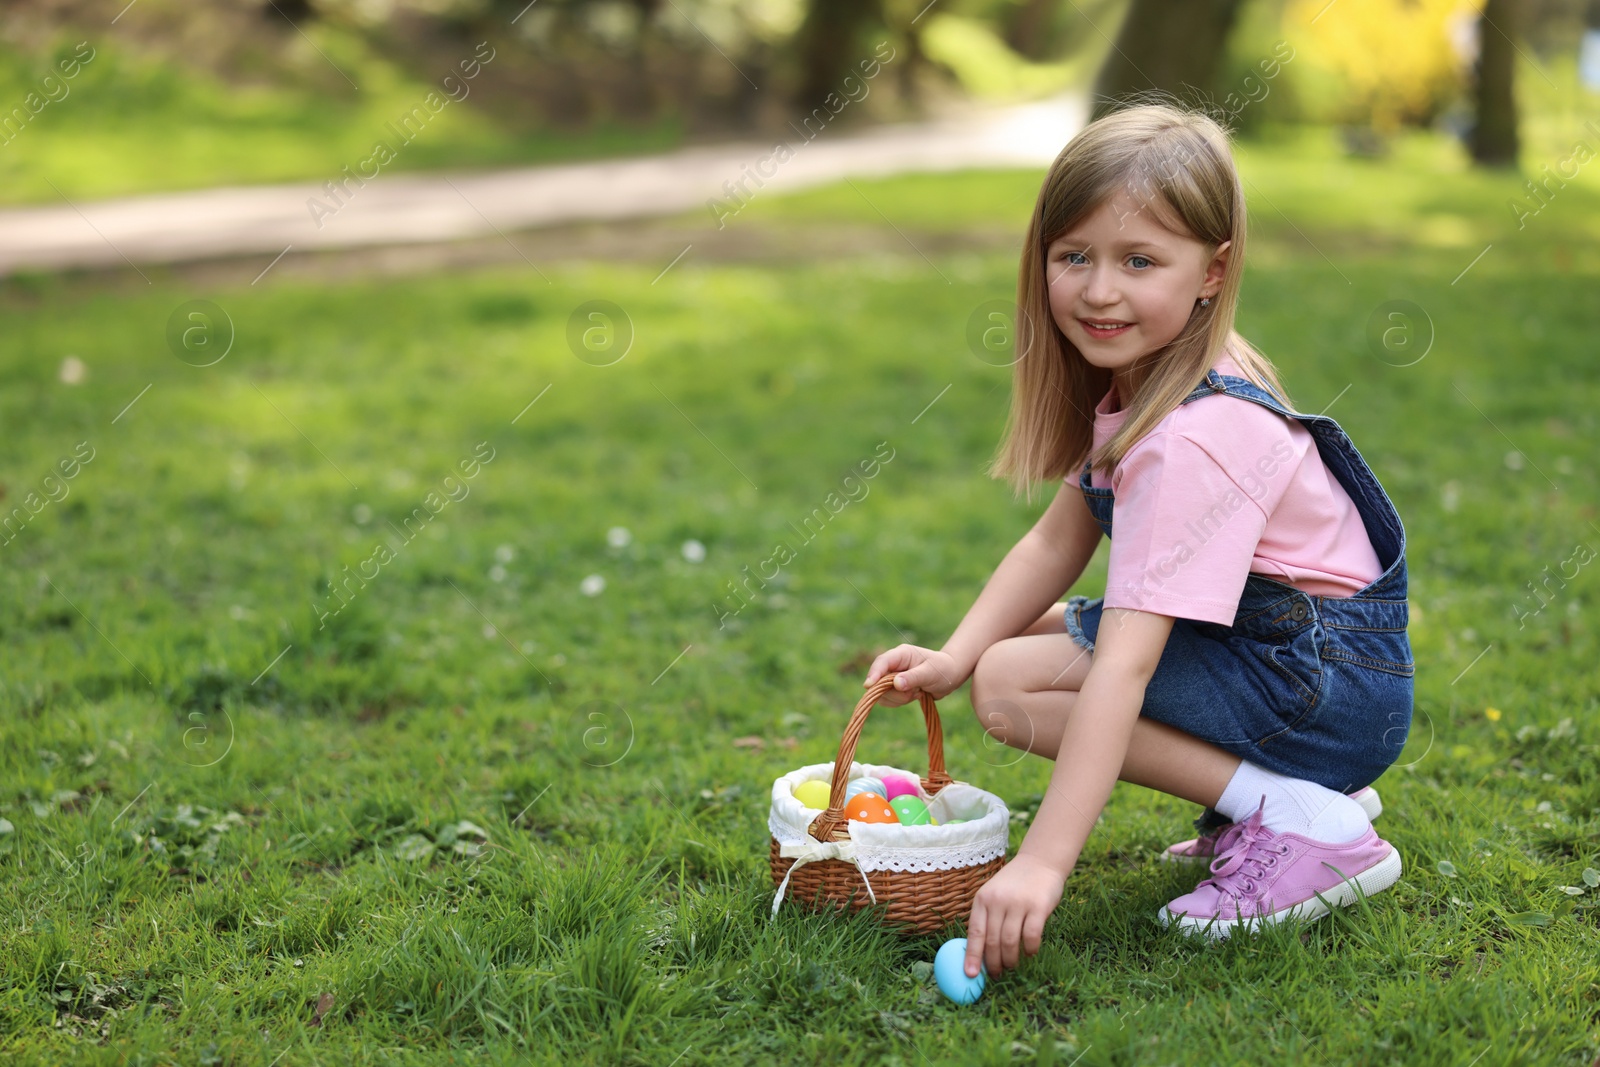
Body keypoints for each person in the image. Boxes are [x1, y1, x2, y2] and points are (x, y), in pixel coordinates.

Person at [863, 100, 1414, 978]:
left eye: (1139, 260)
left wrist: (1041, 864)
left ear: (1212, 270)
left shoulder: (1190, 436)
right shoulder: (1159, 370)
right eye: (1073, 255)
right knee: (1009, 652)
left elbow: (1124, 664)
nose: (1099, 289)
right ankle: (1283, 799)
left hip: (1322, 687)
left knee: (1016, 684)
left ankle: (1301, 815)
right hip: (1297, 661)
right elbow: (1056, 541)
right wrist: (956, 653)